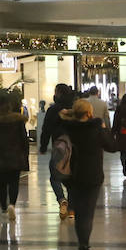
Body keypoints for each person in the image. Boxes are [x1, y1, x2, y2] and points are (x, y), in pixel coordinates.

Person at [56, 98, 117, 250]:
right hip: (92, 175)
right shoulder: (96, 129)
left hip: (72, 175)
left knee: (78, 211)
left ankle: (81, 244)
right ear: (89, 113)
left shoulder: (68, 129)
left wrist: (67, 114)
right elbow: (112, 146)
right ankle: (84, 246)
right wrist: (104, 129)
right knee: (87, 213)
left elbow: (57, 126)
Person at [0, 93, 29, 219]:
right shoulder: (18, 120)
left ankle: (4, 208)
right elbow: (23, 139)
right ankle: (12, 205)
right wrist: (25, 154)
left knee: (1, 183)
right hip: (15, 155)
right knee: (14, 182)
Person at [38, 84, 75, 218]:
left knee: (55, 176)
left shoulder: (53, 110)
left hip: (59, 146)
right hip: (74, 147)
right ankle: (71, 209)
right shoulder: (74, 108)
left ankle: (61, 199)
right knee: (72, 176)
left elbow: (46, 129)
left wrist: (43, 146)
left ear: (58, 93)